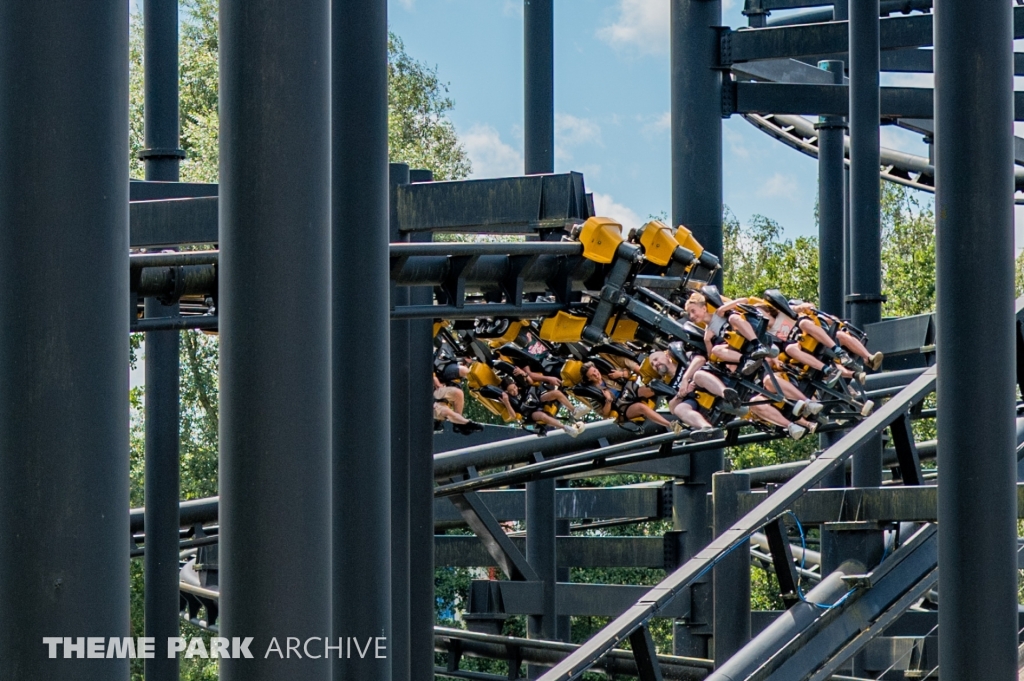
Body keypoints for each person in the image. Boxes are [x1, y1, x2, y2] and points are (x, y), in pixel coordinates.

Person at [684, 287, 774, 376]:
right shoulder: (708, 331)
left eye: (693, 311)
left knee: (732, 318)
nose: (691, 316)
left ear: (704, 308)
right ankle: (747, 360)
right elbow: (712, 359)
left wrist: (725, 308)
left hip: (747, 332)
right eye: (689, 314)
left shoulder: (718, 312)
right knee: (716, 350)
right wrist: (707, 341)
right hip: (737, 345)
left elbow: (745, 300)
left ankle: (757, 345)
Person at [580, 362, 684, 435]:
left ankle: (680, 395)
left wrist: (620, 374)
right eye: (592, 375)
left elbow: (628, 373)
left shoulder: (608, 374)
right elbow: (604, 414)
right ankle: (671, 425)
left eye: (595, 371)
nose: (596, 374)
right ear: (589, 378)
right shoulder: (592, 394)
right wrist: (608, 400)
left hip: (630, 391)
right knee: (641, 407)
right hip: (622, 407)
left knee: (653, 388)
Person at [498, 377, 586, 437]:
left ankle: (574, 410)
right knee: (542, 416)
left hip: (537, 399)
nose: (514, 391)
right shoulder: (510, 400)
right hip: (530, 413)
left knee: (556, 393)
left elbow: (530, 381)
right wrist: (506, 402)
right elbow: (513, 416)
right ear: (507, 391)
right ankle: (565, 428)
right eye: (511, 391)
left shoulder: (520, 387)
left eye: (514, 387)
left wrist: (524, 374)